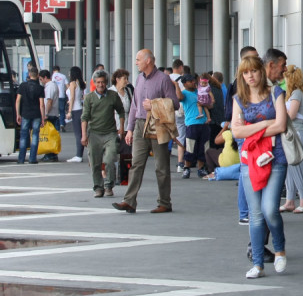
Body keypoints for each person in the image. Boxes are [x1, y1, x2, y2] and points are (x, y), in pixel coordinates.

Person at [232, 55, 288, 279]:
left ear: (261, 72)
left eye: (254, 71)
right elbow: (236, 132)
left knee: (269, 209)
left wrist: (252, 129)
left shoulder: (276, 93)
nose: (250, 76)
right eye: (246, 73)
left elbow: (282, 125)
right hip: (249, 160)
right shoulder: (239, 99)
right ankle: (258, 263)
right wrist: (266, 124)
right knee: (255, 214)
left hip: (275, 157)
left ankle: (280, 248)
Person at [112, 49, 180, 214]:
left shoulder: (163, 79)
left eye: (138, 59)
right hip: (140, 125)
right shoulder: (139, 79)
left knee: (161, 166)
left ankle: (164, 202)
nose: (136, 62)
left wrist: (155, 104)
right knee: (136, 164)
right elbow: (135, 106)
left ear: (148, 61)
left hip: (157, 124)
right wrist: (129, 129)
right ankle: (129, 201)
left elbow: (175, 103)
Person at [229, 46, 260, 226]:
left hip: (252, 132)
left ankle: (250, 211)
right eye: (253, 59)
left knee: (249, 170)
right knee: (245, 171)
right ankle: (245, 211)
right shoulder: (239, 86)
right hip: (244, 132)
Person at [82, 69, 126, 198]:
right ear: (94, 83)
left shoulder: (113, 95)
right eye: (98, 82)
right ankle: (98, 187)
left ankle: (108, 185)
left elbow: (121, 111)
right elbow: (84, 118)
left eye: (103, 82)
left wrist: (122, 127)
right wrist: (84, 135)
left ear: (106, 82)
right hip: (94, 134)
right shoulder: (89, 98)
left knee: (110, 159)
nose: (101, 85)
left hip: (110, 133)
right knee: (95, 163)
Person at [280, 64, 303, 214]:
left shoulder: (297, 94)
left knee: (298, 168)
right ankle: (290, 201)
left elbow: (291, 115)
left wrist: (279, 111)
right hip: (293, 133)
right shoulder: (295, 93)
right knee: (291, 169)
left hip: (296, 133)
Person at [178, 73, 209, 179]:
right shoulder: (184, 93)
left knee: (203, 147)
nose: (193, 82)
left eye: (193, 80)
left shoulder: (199, 91)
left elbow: (210, 104)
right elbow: (179, 97)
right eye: (190, 81)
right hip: (191, 123)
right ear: (185, 83)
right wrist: (176, 85)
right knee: (190, 147)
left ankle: (201, 168)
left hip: (203, 123)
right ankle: (186, 168)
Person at [15, 67, 44, 164]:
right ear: (38, 75)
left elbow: (18, 100)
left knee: (23, 135)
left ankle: (21, 159)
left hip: (25, 113)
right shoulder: (40, 88)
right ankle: (32, 158)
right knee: (35, 135)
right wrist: (43, 118)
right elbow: (42, 104)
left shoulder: (23, 86)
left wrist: (18, 114)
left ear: (29, 74)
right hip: (36, 114)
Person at [66, 67, 87, 163]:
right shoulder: (80, 83)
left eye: (70, 72)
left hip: (75, 110)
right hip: (80, 108)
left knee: (78, 133)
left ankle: (78, 155)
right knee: (81, 133)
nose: (69, 74)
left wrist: (69, 111)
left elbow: (72, 98)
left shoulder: (72, 83)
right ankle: (79, 154)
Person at [51, 65, 68, 130]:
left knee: (55, 111)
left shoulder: (53, 76)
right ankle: (62, 124)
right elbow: (67, 86)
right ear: (59, 70)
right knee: (62, 111)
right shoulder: (63, 76)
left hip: (54, 96)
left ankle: (56, 125)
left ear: (53, 70)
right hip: (62, 95)